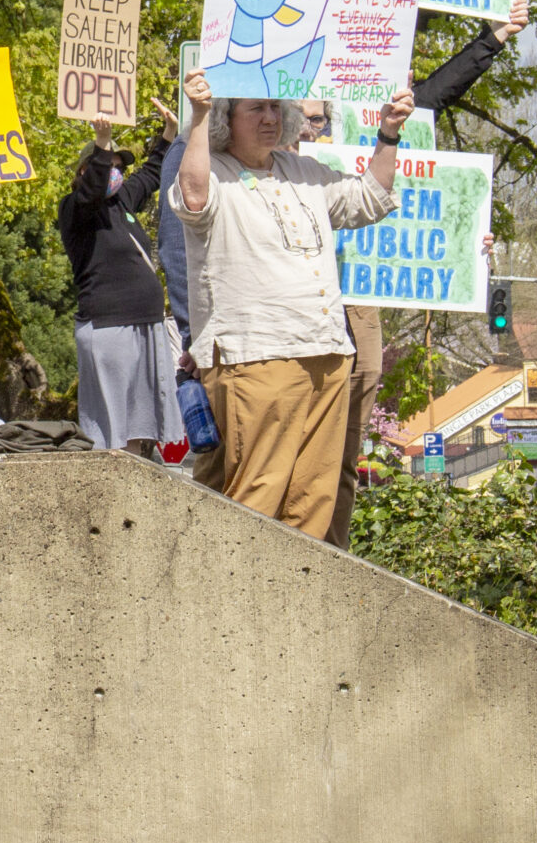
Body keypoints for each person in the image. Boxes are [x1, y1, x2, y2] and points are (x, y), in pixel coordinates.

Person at [297, 0, 529, 547]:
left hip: (357, 297)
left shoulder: (369, 123)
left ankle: (335, 553)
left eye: (319, 118)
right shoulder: (272, 132)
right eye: (307, 119)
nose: (314, 126)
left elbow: (432, 100)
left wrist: (463, 237)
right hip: (298, 298)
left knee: (349, 437)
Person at [171, 68, 410, 537]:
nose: (270, 118)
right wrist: (197, 117)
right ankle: (233, 604)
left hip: (326, 353)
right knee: (256, 499)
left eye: (276, 108)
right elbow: (194, 198)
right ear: (226, 117)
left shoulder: (300, 170)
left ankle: (294, 604)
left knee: (312, 505)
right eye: (255, 108)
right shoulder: (211, 167)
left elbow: (370, 198)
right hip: (256, 356)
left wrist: (389, 133)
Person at [58, 102, 183, 454]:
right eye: (107, 165)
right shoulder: (75, 210)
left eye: (118, 167)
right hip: (109, 328)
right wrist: (102, 141)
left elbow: (150, 174)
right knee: (113, 429)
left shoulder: (122, 203)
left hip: (146, 325)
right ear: (84, 172)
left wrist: (168, 133)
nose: (116, 172)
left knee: (142, 426)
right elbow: (92, 192)